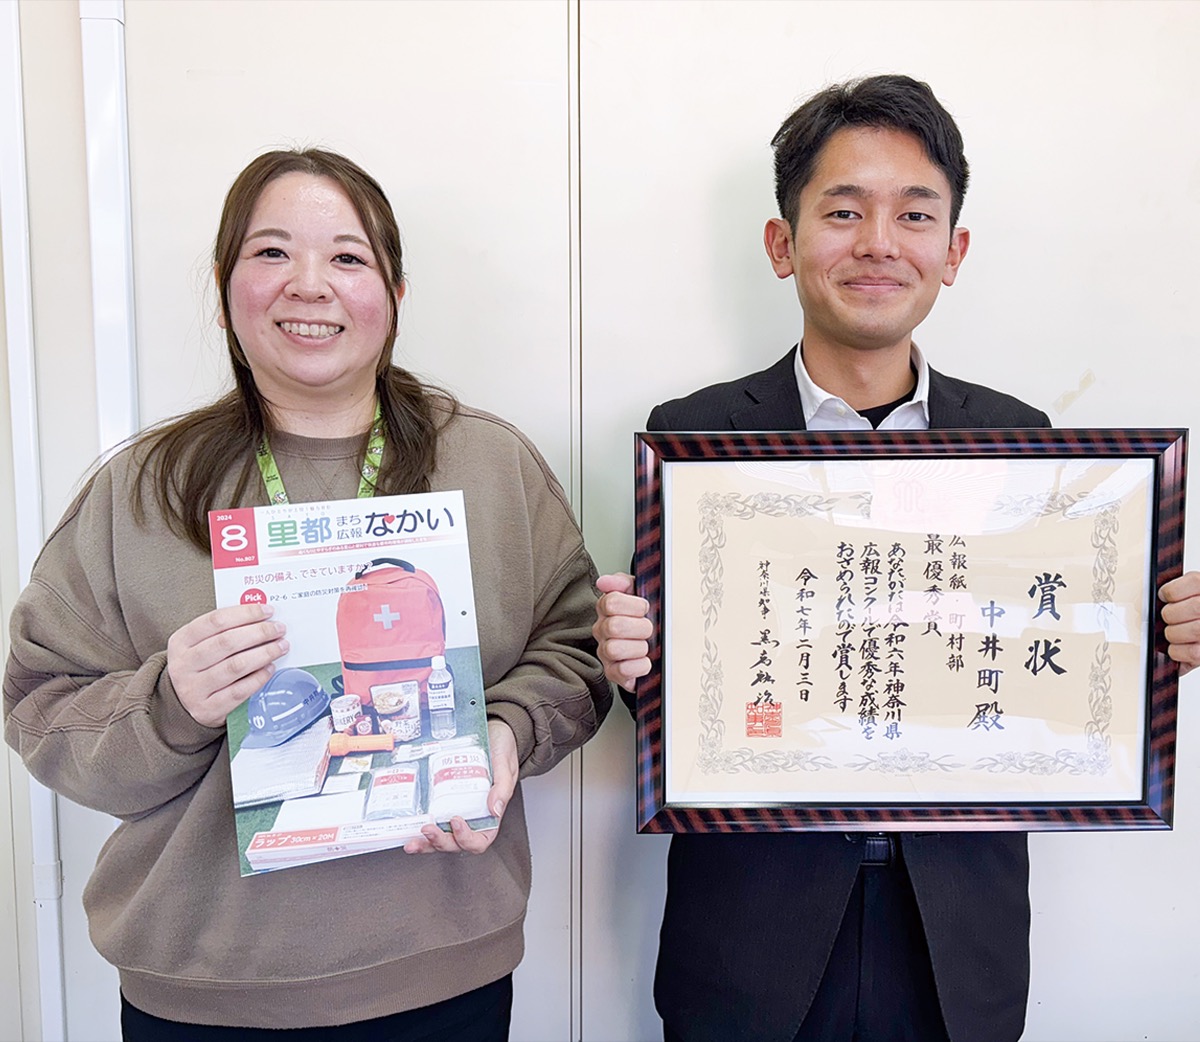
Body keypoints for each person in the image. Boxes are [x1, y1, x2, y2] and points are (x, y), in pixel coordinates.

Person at [592, 75, 1200, 1042]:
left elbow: (1051, 667)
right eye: (843, 211)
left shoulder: (1023, 439)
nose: (879, 242)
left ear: (953, 253)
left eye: (915, 214)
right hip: (754, 929)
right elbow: (688, 700)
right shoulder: (697, 437)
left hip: (954, 932)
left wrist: (1154, 640)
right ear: (782, 243)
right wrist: (632, 661)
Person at [3, 148, 611, 1041]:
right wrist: (170, 704)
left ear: (394, 292)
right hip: (204, 987)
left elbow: (577, 650)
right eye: (272, 253)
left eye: (347, 257)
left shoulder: (491, 466)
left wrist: (508, 730)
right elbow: (39, 709)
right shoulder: (138, 489)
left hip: (444, 968)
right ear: (225, 291)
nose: (310, 285)